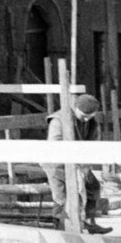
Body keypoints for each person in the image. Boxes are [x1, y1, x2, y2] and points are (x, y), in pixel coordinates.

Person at [45, 94, 108, 233]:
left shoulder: (92, 122)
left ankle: (89, 222)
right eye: (84, 115)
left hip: (78, 161)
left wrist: (84, 165)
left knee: (93, 186)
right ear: (75, 108)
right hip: (56, 163)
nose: (86, 119)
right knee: (61, 196)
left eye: (89, 116)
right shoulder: (59, 121)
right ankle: (59, 229)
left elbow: (93, 144)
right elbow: (53, 147)